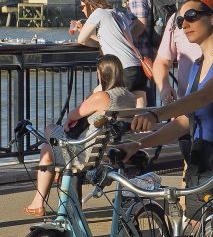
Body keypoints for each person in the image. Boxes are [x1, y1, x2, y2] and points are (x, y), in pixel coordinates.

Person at [119, 0, 213, 218]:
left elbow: (205, 97)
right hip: (201, 159)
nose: (185, 24)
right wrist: (139, 144)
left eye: (192, 16)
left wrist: (155, 113)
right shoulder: (197, 65)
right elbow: (186, 120)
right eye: (181, 21)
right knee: (197, 234)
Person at [23, 55, 137, 216]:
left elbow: (73, 114)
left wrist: (94, 92)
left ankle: (38, 200)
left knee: (49, 136)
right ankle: (52, 178)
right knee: (50, 145)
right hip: (110, 149)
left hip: (87, 154)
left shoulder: (102, 97)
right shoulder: (131, 97)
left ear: (101, 74)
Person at [76, 0, 147, 107]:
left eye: (82, 6)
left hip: (122, 69)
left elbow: (82, 40)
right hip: (137, 68)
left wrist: (83, 31)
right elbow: (109, 41)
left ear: (90, 5)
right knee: (139, 112)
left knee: (92, 101)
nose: (82, 10)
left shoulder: (98, 13)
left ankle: (74, 122)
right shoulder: (117, 13)